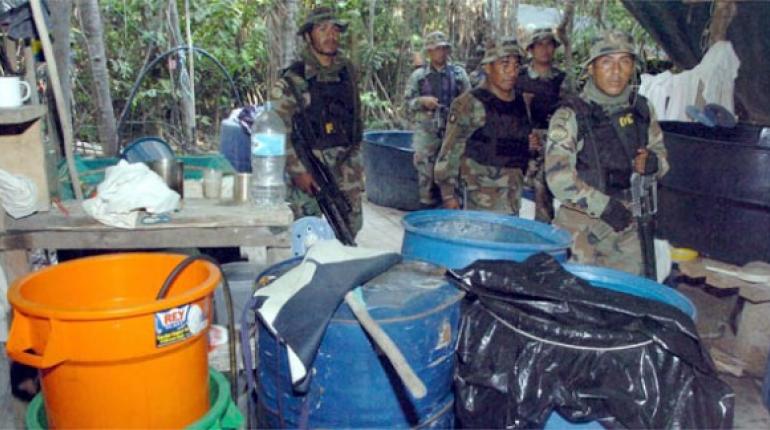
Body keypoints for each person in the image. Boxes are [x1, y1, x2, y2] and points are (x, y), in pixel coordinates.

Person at [545, 30, 669, 275]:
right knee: (580, 303)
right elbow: (558, 180)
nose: (616, 71)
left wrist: (654, 164)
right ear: (591, 68)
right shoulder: (571, 115)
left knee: (629, 300)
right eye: (606, 62)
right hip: (581, 227)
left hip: (629, 227)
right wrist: (605, 207)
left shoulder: (642, 109)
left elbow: (661, 155)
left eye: (624, 61)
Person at [271, 7, 364, 236]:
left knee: (349, 230)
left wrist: (355, 164)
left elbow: (356, 118)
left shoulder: (348, 72)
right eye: (322, 29)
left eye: (335, 29)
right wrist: (298, 171)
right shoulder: (293, 79)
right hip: (310, 168)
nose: (330, 35)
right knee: (307, 233)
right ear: (308, 35)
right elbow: (277, 131)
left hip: (346, 167)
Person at [434, 39, 539, 213]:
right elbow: (450, 151)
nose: (511, 72)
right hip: (479, 195)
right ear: (488, 67)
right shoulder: (468, 104)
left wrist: (530, 145)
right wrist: (448, 196)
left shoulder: (522, 102)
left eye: (516, 65)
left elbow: (521, 143)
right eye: (504, 64)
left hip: (512, 194)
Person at [404, 31, 471, 208]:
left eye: (443, 49)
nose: (440, 53)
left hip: (452, 132)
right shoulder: (419, 76)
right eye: (436, 49)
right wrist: (422, 101)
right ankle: (426, 207)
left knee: (453, 173)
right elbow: (407, 103)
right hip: (427, 132)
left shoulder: (458, 74)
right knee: (425, 174)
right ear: (429, 52)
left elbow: (470, 102)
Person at [518, 28, 567, 223]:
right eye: (540, 45)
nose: (545, 50)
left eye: (550, 45)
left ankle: (544, 231)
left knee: (545, 188)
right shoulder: (519, 77)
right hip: (521, 139)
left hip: (553, 140)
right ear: (531, 49)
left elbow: (571, 111)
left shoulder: (561, 79)